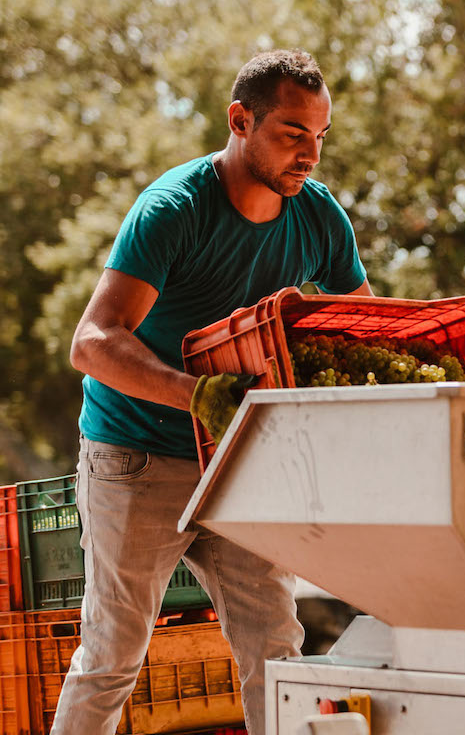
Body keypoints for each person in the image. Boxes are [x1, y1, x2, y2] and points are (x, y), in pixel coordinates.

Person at [61, 49, 372, 735]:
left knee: (275, 650)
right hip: (139, 456)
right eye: (293, 133)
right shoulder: (174, 210)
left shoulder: (319, 220)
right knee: (114, 654)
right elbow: (92, 342)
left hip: (239, 463)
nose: (311, 154)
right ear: (240, 120)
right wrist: (198, 395)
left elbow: (365, 332)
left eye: (321, 136)